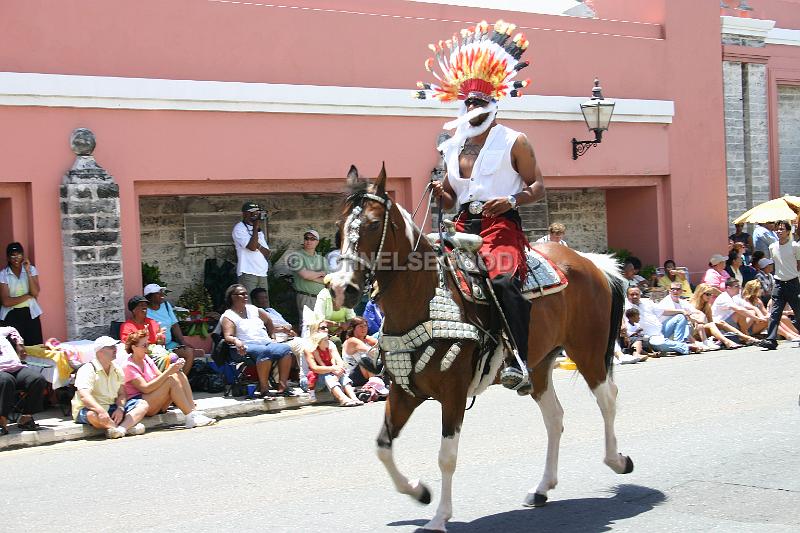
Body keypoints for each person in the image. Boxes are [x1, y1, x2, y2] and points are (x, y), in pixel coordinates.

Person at [424, 21, 543, 391]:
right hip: (461, 226)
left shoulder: (515, 140)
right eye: (468, 103)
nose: (473, 109)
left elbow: (538, 186)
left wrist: (510, 198)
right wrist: (436, 192)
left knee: (504, 280)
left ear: (494, 105)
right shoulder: (453, 145)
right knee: (422, 274)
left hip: (500, 224)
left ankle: (519, 360)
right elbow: (449, 195)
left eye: (480, 103)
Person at [122, 329, 215, 428]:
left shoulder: (146, 358)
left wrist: (175, 368)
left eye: (148, 344)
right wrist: (168, 372)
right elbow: (145, 388)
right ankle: (189, 417)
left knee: (178, 374)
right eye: (144, 345)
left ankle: (193, 412)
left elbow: (159, 376)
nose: (147, 348)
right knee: (171, 379)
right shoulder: (129, 366)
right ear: (134, 347)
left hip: (155, 399)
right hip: (141, 404)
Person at [220, 284, 295, 398]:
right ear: (233, 297)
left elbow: (269, 320)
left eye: (246, 293)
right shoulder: (228, 315)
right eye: (242, 294)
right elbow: (228, 336)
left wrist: (273, 336)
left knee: (285, 349)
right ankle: (264, 389)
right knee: (264, 351)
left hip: (265, 342)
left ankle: (282, 387)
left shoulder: (253, 309)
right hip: (246, 345)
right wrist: (237, 341)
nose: (245, 296)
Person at [71, 336, 149, 439]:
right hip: (90, 408)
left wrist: (120, 408)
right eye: (111, 347)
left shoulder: (117, 369)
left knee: (143, 404)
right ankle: (123, 428)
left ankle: (120, 430)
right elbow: (85, 397)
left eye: (115, 347)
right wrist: (101, 411)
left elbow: (122, 394)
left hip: (111, 407)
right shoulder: (87, 369)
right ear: (100, 352)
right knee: (92, 415)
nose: (115, 349)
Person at [250, 287, 309, 391]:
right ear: (254, 300)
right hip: (274, 340)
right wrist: (282, 329)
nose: (264, 300)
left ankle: (305, 379)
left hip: (287, 337)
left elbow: (287, 324)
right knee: (281, 350)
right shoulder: (254, 313)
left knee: (305, 344)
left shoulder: (271, 310)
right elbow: (264, 329)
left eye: (266, 297)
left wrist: (289, 330)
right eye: (261, 298)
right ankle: (278, 382)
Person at [624, 286, 704, 355]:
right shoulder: (625, 307)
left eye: (636, 294)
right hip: (648, 337)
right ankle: (686, 347)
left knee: (680, 317)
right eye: (632, 294)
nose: (634, 296)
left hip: (661, 331)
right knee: (658, 344)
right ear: (627, 296)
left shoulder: (646, 302)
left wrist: (681, 311)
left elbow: (663, 311)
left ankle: (679, 343)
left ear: (640, 294)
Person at [759, 220, 800, 350]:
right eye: (777, 229)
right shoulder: (772, 247)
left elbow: (799, 264)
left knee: (798, 312)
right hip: (779, 283)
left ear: (788, 231)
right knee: (775, 312)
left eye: (782, 229)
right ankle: (771, 340)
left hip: (793, 282)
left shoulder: (795, 246)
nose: (779, 231)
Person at [0, 326, 47, 435]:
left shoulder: (1, 331)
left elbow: (12, 329)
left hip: (16, 368)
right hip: (2, 372)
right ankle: (2, 421)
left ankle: (26, 417)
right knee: (6, 380)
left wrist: (20, 345)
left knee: (37, 379)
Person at [144, 284, 196, 374]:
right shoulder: (144, 310)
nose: (162, 295)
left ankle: (182, 381)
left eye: (161, 292)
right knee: (167, 359)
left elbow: (174, 325)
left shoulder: (166, 306)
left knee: (189, 352)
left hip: (169, 344)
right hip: (154, 347)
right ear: (150, 297)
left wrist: (183, 341)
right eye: (158, 293)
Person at [304, 330, 363, 407]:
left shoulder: (330, 345)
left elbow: (340, 363)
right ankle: (343, 399)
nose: (328, 341)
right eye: (326, 340)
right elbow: (315, 368)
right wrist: (333, 369)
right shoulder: (310, 349)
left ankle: (354, 398)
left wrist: (338, 373)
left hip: (330, 377)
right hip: (311, 381)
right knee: (327, 375)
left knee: (341, 375)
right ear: (319, 341)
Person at [0, 242, 43, 345]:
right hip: (12, 314)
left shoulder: (31, 269)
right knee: (16, 348)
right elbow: (6, 301)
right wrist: (27, 296)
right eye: (13, 255)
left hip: (30, 313)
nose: (16, 258)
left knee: (34, 346)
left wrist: (28, 272)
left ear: (23, 256)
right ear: (8, 258)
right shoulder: (3, 274)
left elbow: (35, 292)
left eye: (19, 254)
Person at [120, 295, 177, 373]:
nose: (145, 307)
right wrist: (143, 336)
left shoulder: (152, 322)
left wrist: (160, 339)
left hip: (157, 352)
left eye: (145, 305)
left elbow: (160, 343)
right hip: (140, 355)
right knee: (169, 360)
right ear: (133, 310)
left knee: (176, 358)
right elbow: (128, 345)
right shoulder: (127, 326)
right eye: (141, 305)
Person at [687, 284, 747, 349]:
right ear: (700, 293)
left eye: (711, 294)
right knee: (711, 325)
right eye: (707, 294)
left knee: (721, 323)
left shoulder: (707, 306)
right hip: (695, 332)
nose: (709, 296)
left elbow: (710, 321)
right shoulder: (691, 305)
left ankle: (746, 338)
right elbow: (693, 323)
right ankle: (727, 342)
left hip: (704, 329)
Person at [291, 230, 328, 332]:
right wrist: (320, 273)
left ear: (317, 242)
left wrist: (311, 276)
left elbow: (327, 280)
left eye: (312, 239)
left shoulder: (322, 259)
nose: (309, 241)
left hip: (320, 298)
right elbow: (305, 275)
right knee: (306, 327)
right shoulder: (296, 256)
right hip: (305, 296)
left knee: (320, 325)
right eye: (306, 238)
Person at [232, 202, 271, 296]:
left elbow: (267, 253)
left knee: (264, 305)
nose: (256, 214)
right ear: (245, 214)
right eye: (253, 212)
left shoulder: (258, 230)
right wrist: (255, 227)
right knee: (250, 305)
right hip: (248, 272)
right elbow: (252, 247)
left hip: (262, 272)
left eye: (257, 212)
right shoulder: (239, 228)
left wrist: (257, 244)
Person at [341, 317, 380, 387]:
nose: (364, 328)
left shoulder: (367, 338)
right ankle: (375, 384)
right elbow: (371, 352)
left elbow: (382, 346)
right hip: (353, 376)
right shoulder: (352, 341)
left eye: (365, 326)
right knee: (365, 360)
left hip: (368, 373)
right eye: (360, 326)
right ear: (353, 329)